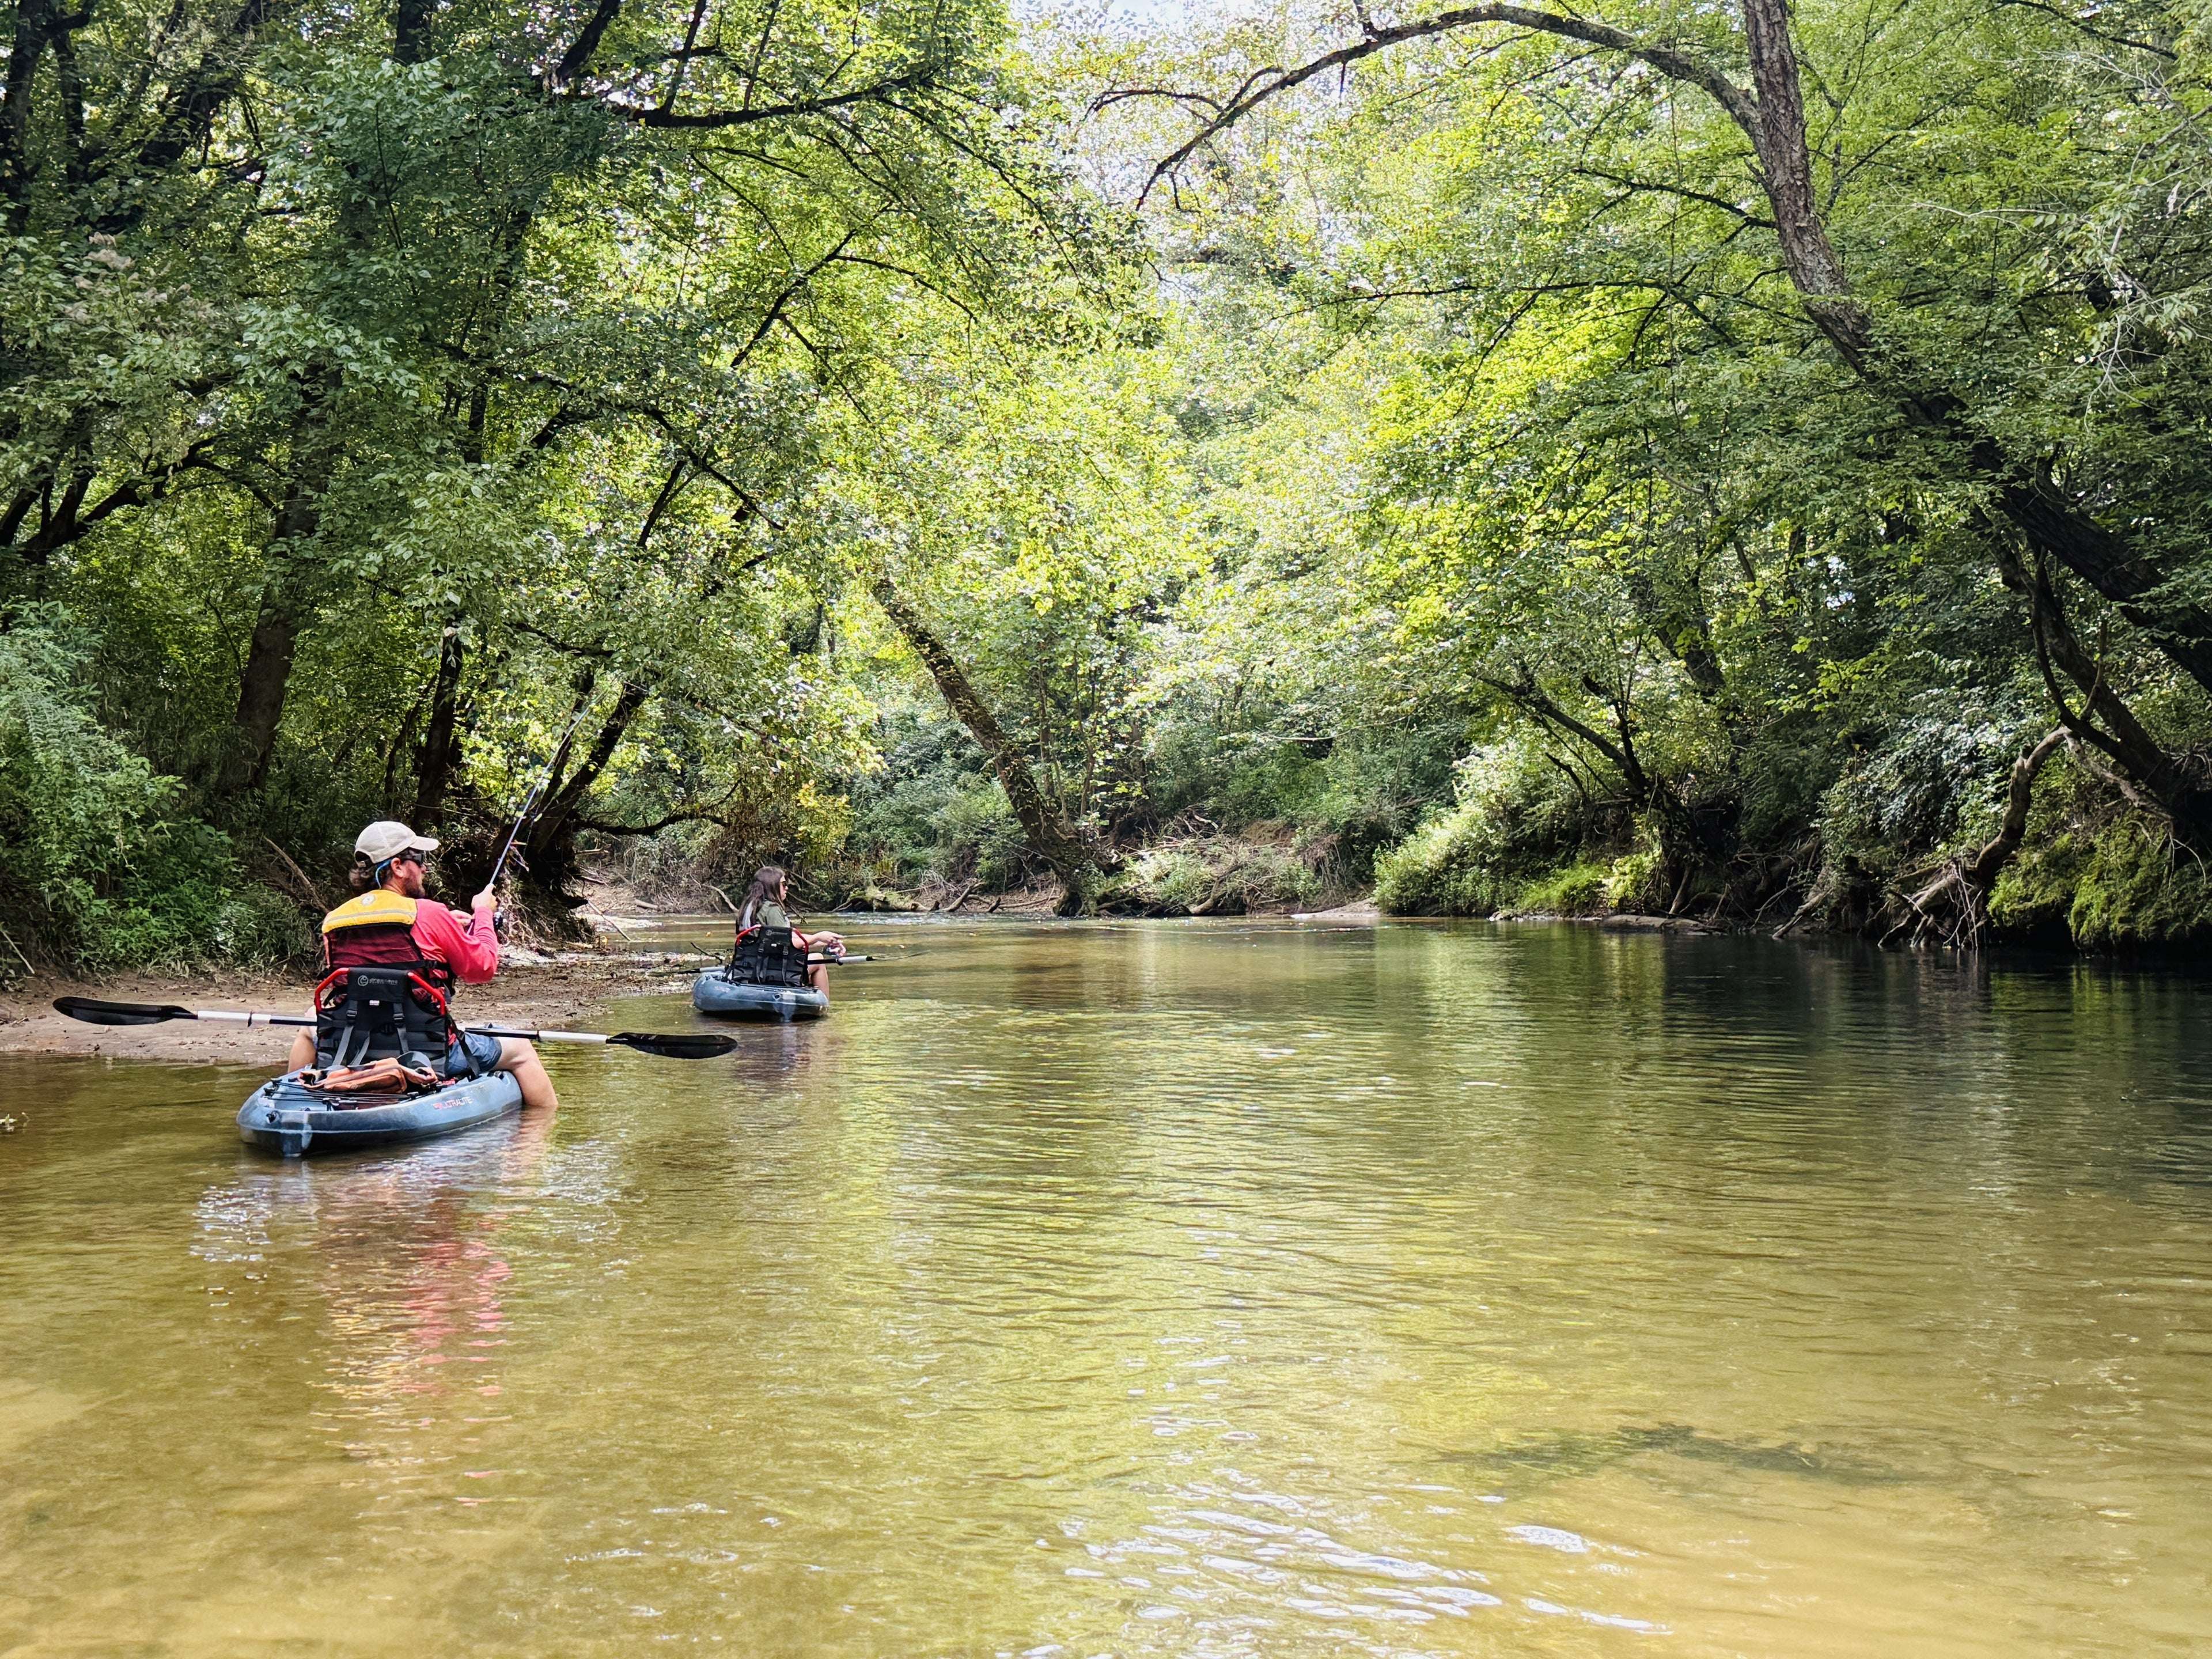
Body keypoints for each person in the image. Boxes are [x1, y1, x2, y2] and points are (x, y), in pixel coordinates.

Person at [285, 821, 558, 1109]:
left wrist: (447, 925)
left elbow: (368, 970)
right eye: (420, 860)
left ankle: (293, 1098)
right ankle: (538, 1138)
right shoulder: (429, 914)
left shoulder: (335, 920)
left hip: (351, 1047)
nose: (425, 868)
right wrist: (483, 915)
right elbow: (483, 967)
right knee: (521, 1050)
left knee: (308, 1023)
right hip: (427, 1052)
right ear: (399, 867)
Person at [736, 865, 844, 998]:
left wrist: (820, 941)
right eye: (783, 884)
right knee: (818, 960)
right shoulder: (772, 909)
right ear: (772, 885)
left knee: (808, 959)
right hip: (772, 970)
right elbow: (788, 943)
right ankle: (824, 1006)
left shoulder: (750, 907)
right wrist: (818, 936)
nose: (787, 888)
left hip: (752, 968)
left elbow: (787, 937)